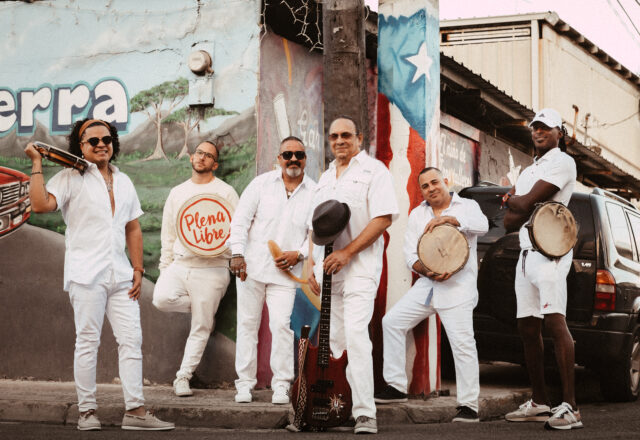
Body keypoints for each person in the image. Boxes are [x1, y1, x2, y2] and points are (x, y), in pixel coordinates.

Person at [24, 119, 174, 431]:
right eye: (92, 141)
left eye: (107, 138)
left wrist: (137, 269)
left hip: (120, 275)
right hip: (86, 273)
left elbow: (132, 227)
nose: (101, 144)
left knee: (132, 340)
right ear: (80, 147)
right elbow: (39, 205)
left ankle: (135, 411)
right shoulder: (68, 178)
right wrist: (37, 163)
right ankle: (87, 412)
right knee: (88, 341)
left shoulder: (124, 181)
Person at [374, 167, 488, 423]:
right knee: (391, 322)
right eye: (425, 186)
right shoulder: (417, 214)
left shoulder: (466, 205)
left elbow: (482, 226)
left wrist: (450, 220)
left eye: (435, 182)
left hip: (458, 287)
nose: (431, 188)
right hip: (428, 285)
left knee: (462, 345)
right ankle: (396, 387)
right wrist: (425, 270)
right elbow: (410, 255)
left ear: (445, 181)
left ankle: (469, 406)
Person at [309, 116, 399, 434]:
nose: (339, 141)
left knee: (357, 336)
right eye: (334, 136)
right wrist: (311, 263)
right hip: (331, 271)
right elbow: (316, 225)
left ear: (359, 138)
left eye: (346, 135)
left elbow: (383, 218)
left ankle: (365, 412)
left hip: (360, 268)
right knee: (334, 342)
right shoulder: (324, 177)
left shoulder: (374, 171)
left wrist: (348, 253)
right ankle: (339, 406)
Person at [502, 108, 582, 430]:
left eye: (545, 128)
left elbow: (523, 204)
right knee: (527, 327)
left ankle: (571, 408)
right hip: (526, 252)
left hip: (550, 251)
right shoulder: (529, 169)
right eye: (535, 127)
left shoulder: (562, 162)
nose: (538, 132)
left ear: (559, 133)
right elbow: (511, 220)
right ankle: (539, 401)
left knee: (554, 321)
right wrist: (515, 202)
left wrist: (512, 199)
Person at [229, 136, 316, 405]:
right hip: (251, 269)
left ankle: (281, 385)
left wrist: (298, 254)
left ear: (305, 159)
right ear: (278, 158)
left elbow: (316, 233)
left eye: (298, 155)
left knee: (281, 326)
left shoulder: (315, 191)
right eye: (287, 154)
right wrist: (237, 254)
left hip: (285, 275)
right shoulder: (261, 184)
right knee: (246, 325)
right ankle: (244, 384)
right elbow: (240, 220)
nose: (293, 159)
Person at [152, 141, 239, 397]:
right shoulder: (178, 192)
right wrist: (165, 268)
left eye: (209, 155)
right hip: (180, 265)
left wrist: (232, 257)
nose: (202, 158)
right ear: (191, 157)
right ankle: (205, 309)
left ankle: (183, 377)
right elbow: (168, 235)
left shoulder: (226, 192)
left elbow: (238, 231)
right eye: (200, 153)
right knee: (161, 298)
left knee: (200, 326)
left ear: (215, 164)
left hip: (212, 269)